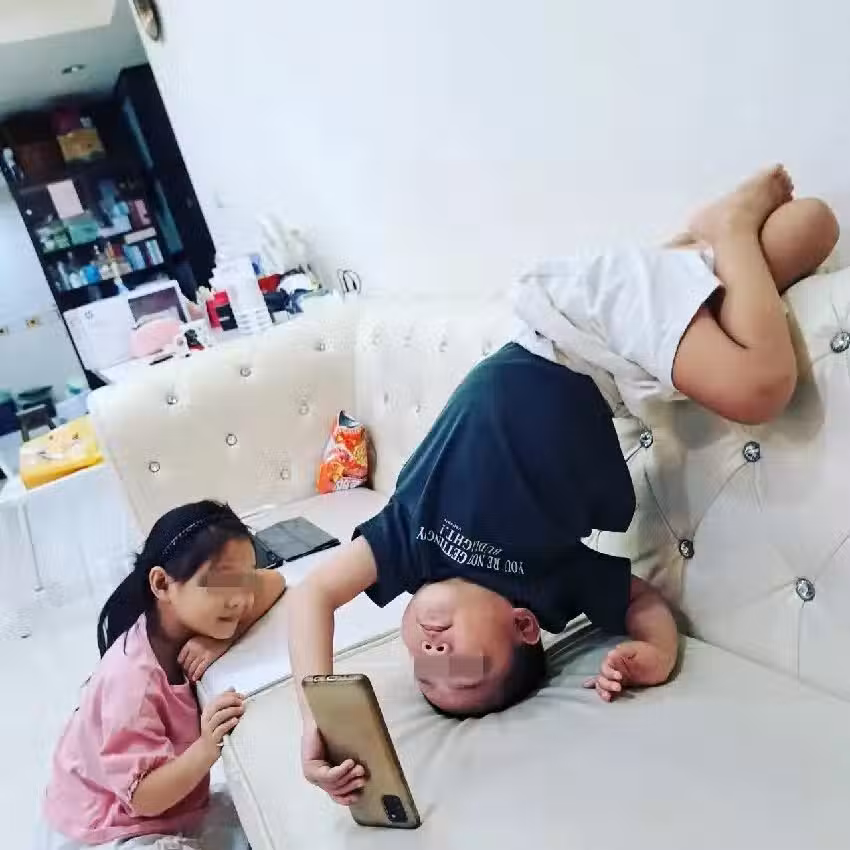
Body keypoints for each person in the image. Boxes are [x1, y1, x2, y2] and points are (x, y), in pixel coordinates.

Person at [287, 166, 840, 806]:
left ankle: (728, 223)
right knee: (811, 229)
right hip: (618, 370)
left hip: (565, 334)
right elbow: (640, 601)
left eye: (426, 666)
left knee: (760, 387)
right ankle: (701, 241)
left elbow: (313, 596)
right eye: (459, 669)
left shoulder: (410, 543)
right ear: (525, 627)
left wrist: (317, 718)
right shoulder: (548, 587)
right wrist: (656, 653)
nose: (435, 654)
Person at [37, 501, 286, 849]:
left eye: (244, 579)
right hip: (108, 826)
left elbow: (274, 580)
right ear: (161, 584)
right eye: (223, 582)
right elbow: (143, 797)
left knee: (269, 812)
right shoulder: (131, 682)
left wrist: (219, 640)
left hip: (166, 803)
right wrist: (207, 747)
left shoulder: (185, 618)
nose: (241, 599)